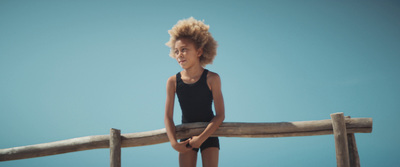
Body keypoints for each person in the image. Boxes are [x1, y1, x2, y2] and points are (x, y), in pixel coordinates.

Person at [164, 17, 225, 167]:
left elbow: (220, 115)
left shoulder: (212, 78)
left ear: (199, 51)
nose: (179, 55)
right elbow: (167, 117)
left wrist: (201, 138)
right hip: (185, 135)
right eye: (176, 51)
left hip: (209, 134)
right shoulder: (172, 81)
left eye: (184, 49)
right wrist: (173, 143)